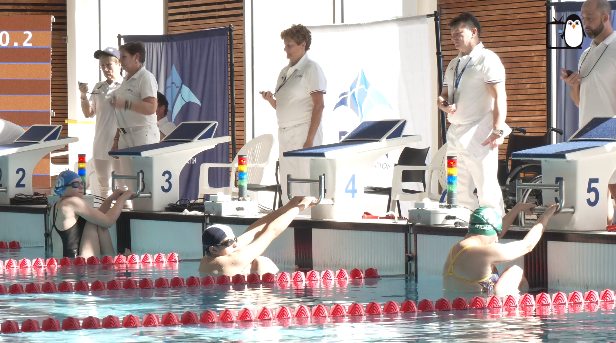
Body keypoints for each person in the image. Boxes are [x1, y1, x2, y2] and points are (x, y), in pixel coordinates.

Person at [437, 12, 508, 216]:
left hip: (479, 131)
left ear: (474, 32)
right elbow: (443, 95)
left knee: (486, 185)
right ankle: (462, 222)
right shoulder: (452, 63)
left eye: (458, 33)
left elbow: (499, 97)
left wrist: (497, 130)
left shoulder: (488, 59)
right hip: (455, 132)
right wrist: (443, 104)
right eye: (452, 35)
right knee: (454, 186)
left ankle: (496, 229)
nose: (454, 38)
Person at [561, 0, 616, 225]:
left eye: (590, 18)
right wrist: (574, 85)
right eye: (583, 17)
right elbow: (579, 102)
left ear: (605, 17)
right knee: (600, 202)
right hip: (589, 138)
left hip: (612, 136)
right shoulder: (586, 54)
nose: (585, 23)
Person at [261, 24, 327, 204]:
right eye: (285, 45)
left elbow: (319, 106)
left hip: (304, 132)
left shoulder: (311, 68)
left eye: (289, 45)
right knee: (288, 183)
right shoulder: (284, 72)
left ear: (303, 45)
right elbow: (286, 107)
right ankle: (290, 223)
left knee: (306, 183)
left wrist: (310, 140)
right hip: (285, 133)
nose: (285, 49)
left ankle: (308, 227)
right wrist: (271, 101)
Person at [442, 203, 559, 294]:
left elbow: (490, 231)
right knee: (515, 271)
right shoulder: (484, 253)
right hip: (485, 318)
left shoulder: (456, 249)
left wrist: (517, 208)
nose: (497, 239)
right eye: (497, 234)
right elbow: (527, 245)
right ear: (489, 230)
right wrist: (546, 216)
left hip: (457, 311)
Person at [199, 196, 317, 276]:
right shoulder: (231, 260)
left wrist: (289, 206)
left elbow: (253, 231)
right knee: (262, 262)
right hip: (239, 308)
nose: (235, 244)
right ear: (213, 249)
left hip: (225, 305)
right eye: (230, 242)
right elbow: (272, 231)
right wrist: (300, 207)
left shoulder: (208, 259)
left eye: (235, 239)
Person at [110, 41, 159, 196]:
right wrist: (116, 139)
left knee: (145, 181)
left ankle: (148, 214)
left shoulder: (145, 77)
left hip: (142, 134)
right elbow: (122, 114)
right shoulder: (125, 80)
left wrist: (125, 104)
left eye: (124, 57)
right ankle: (136, 213)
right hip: (125, 135)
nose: (120, 62)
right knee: (131, 182)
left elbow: (151, 107)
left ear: (136, 57)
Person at [51, 170, 134, 258]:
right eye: (75, 184)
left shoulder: (57, 205)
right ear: (63, 188)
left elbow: (98, 216)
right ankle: (112, 261)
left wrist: (111, 198)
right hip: (78, 264)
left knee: (97, 220)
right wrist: (124, 198)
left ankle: (111, 260)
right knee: (99, 224)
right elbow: (108, 222)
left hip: (66, 263)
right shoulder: (72, 202)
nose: (81, 187)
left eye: (82, 183)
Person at [78, 47, 122, 197]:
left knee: (123, 185)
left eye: (108, 65)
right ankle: (104, 218)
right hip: (101, 142)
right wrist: (83, 95)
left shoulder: (127, 86)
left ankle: (125, 217)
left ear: (119, 64)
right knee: (104, 187)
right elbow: (88, 113)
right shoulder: (98, 87)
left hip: (121, 144)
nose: (105, 69)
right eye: (102, 65)